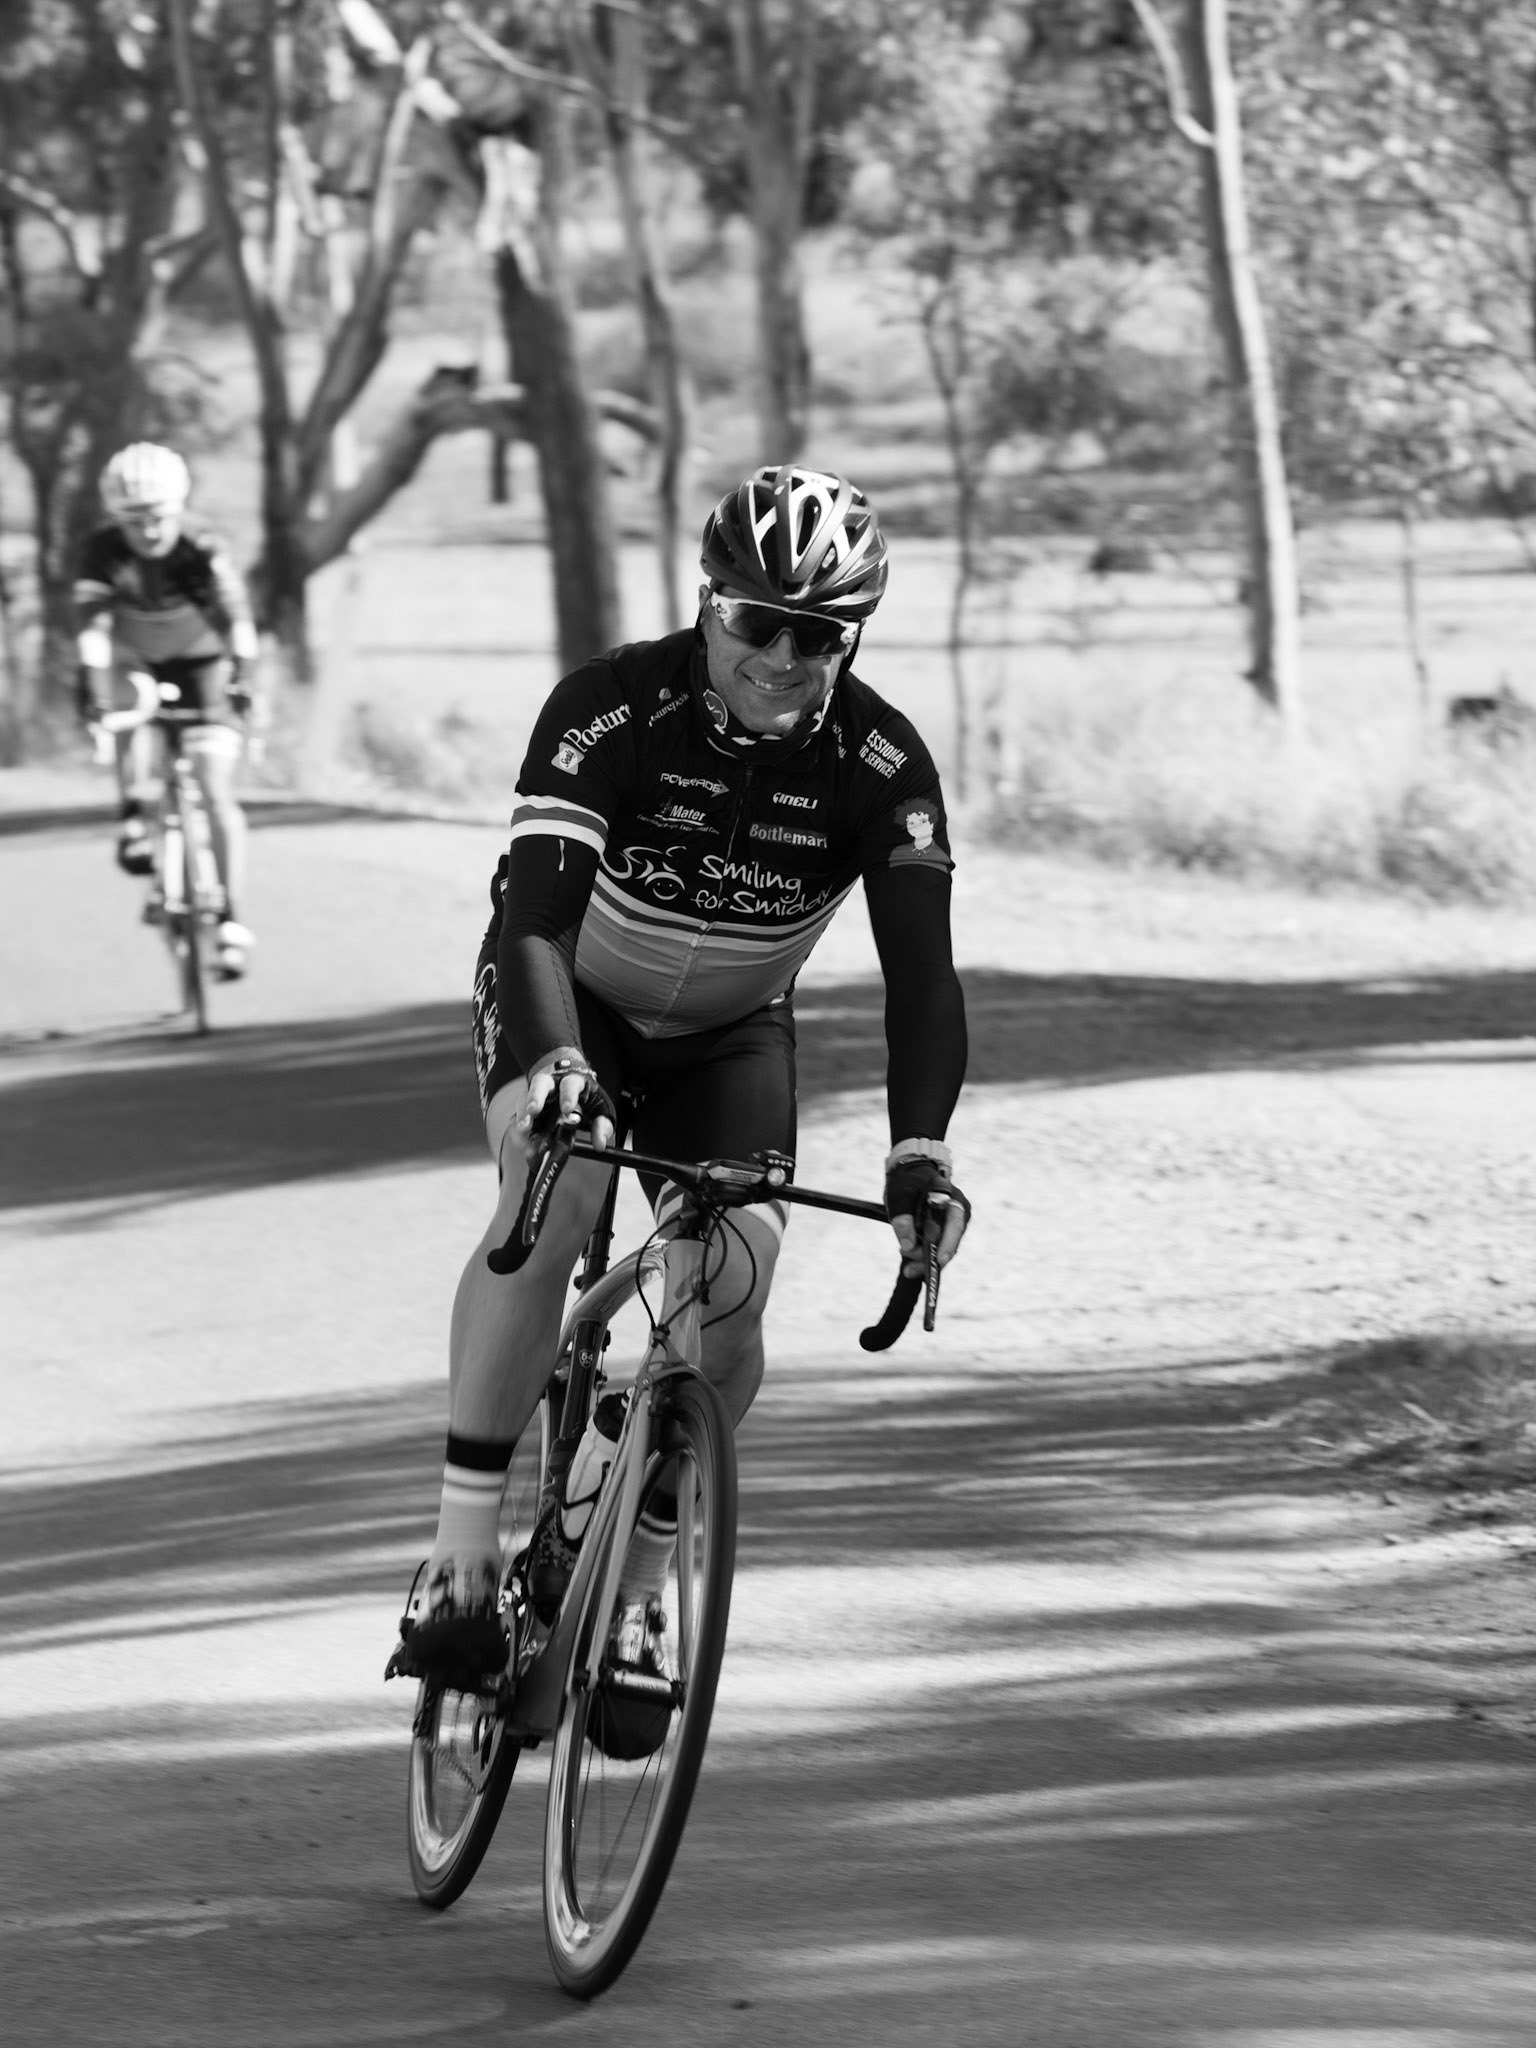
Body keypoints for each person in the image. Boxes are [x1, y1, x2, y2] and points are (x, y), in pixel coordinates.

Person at [389, 462, 971, 1685]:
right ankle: (459, 1555)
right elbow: (534, 920)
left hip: (730, 1032)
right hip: (572, 1000)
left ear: (852, 637)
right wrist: (559, 1062)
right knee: (556, 1193)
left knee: (739, 1277)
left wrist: (921, 1155)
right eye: (757, 620)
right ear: (708, 603)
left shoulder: (882, 765)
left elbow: (922, 982)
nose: (783, 655)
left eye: (819, 633)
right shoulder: (609, 707)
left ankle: (641, 1589)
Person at [74, 441, 261, 979]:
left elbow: (238, 620)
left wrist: (243, 676)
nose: (148, 530)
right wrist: (92, 691)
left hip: (202, 664)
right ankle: (133, 814)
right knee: (128, 701)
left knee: (215, 788)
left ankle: (229, 914)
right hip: (139, 662)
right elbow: (92, 628)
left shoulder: (202, 544)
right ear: (117, 519)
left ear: (178, 508)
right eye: (133, 521)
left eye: (157, 517)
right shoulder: (103, 550)